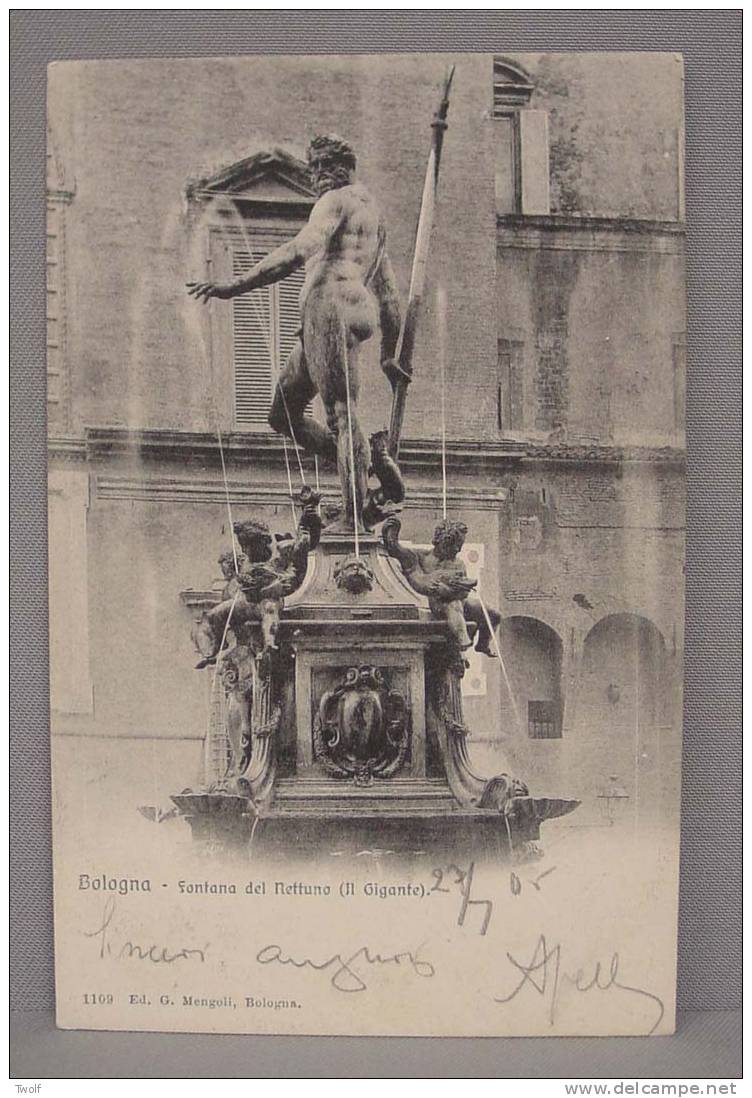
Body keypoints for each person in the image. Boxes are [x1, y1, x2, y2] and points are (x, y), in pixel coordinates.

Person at [187, 134, 402, 533]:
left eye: (321, 166)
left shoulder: (334, 201)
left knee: (342, 414)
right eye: (313, 167)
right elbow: (389, 294)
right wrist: (390, 351)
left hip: (330, 304)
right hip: (350, 310)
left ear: (342, 166)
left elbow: (297, 250)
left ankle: (353, 522)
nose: (316, 175)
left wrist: (235, 285)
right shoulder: (375, 218)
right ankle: (366, 466)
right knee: (282, 414)